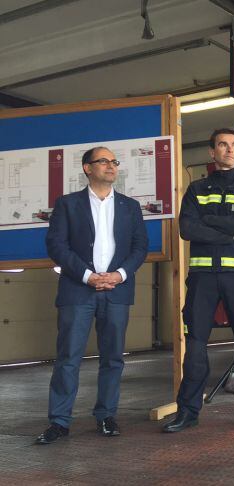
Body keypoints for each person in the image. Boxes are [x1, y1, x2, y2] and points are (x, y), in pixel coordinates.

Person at [36, 146, 148, 444]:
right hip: (77, 290)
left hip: (117, 290)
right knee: (68, 357)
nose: (111, 166)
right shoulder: (67, 204)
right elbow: (57, 246)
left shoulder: (130, 206)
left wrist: (119, 275)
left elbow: (140, 247)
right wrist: (88, 276)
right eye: (103, 161)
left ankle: (106, 416)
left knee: (113, 358)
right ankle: (59, 422)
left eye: (114, 161)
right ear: (87, 168)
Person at [162, 128, 234, 433]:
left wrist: (208, 221)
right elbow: (187, 229)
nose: (230, 149)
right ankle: (188, 412)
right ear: (212, 152)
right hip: (203, 277)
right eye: (223, 145)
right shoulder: (196, 189)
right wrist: (229, 232)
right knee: (195, 344)